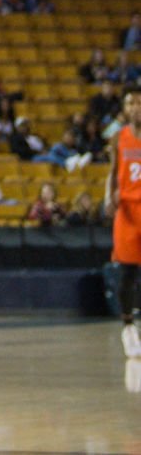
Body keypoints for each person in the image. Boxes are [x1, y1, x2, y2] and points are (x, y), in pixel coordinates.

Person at [106, 89, 141, 358]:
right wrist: (109, 197)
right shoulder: (119, 137)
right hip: (128, 211)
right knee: (128, 271)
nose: (136, 106)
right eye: (131, 102)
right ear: (125, 108)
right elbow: (112, 172)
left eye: (140, 102)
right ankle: (128, 326)